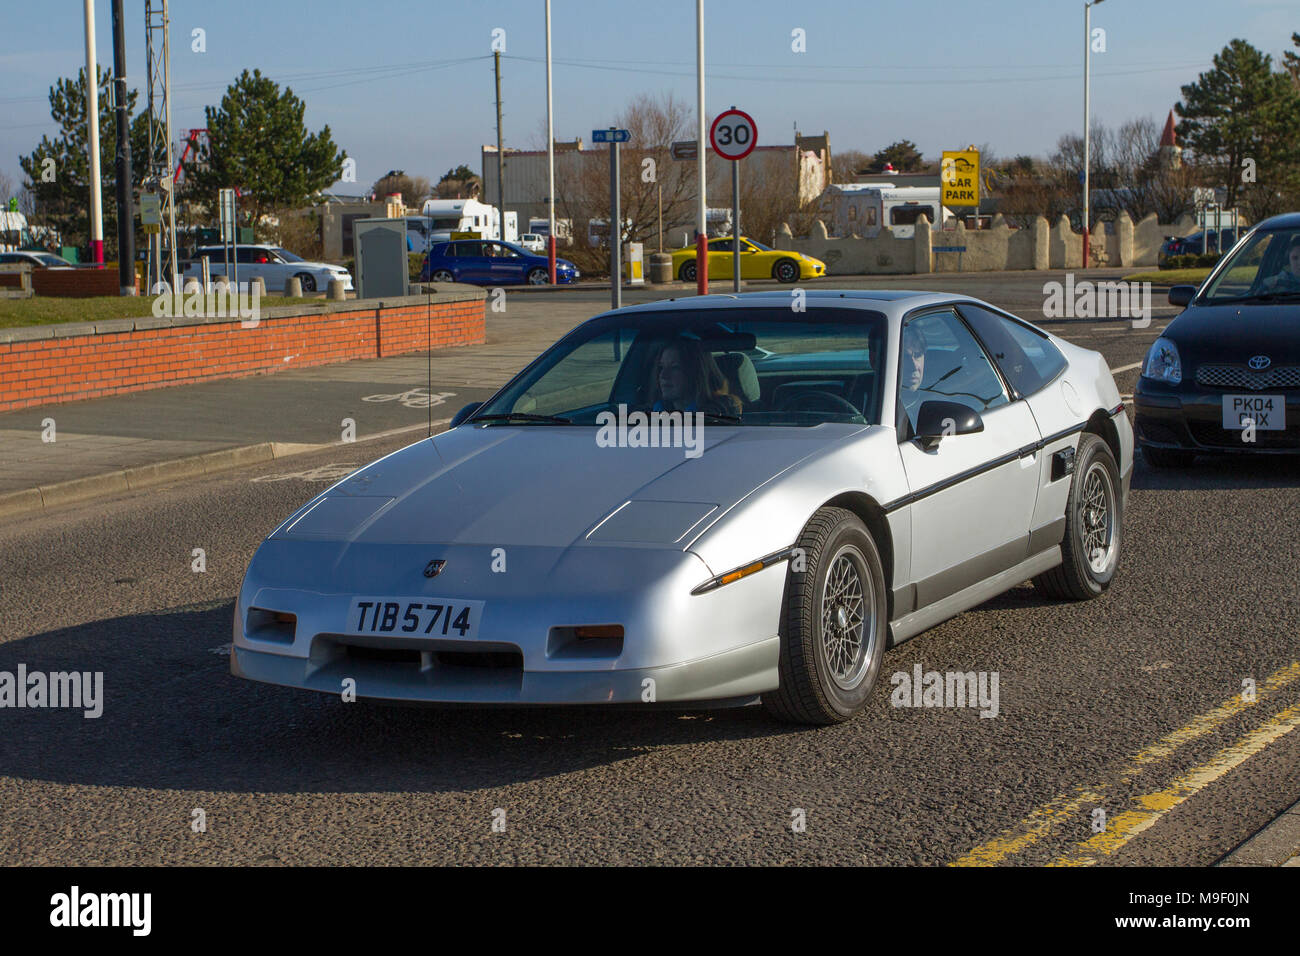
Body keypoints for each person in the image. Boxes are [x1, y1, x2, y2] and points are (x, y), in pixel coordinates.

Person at [648, 337, 742, 417]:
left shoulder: (718, 419)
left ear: (696, 372)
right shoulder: (651, 414)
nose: (663, 376)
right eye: (661, 367)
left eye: (675, 367)